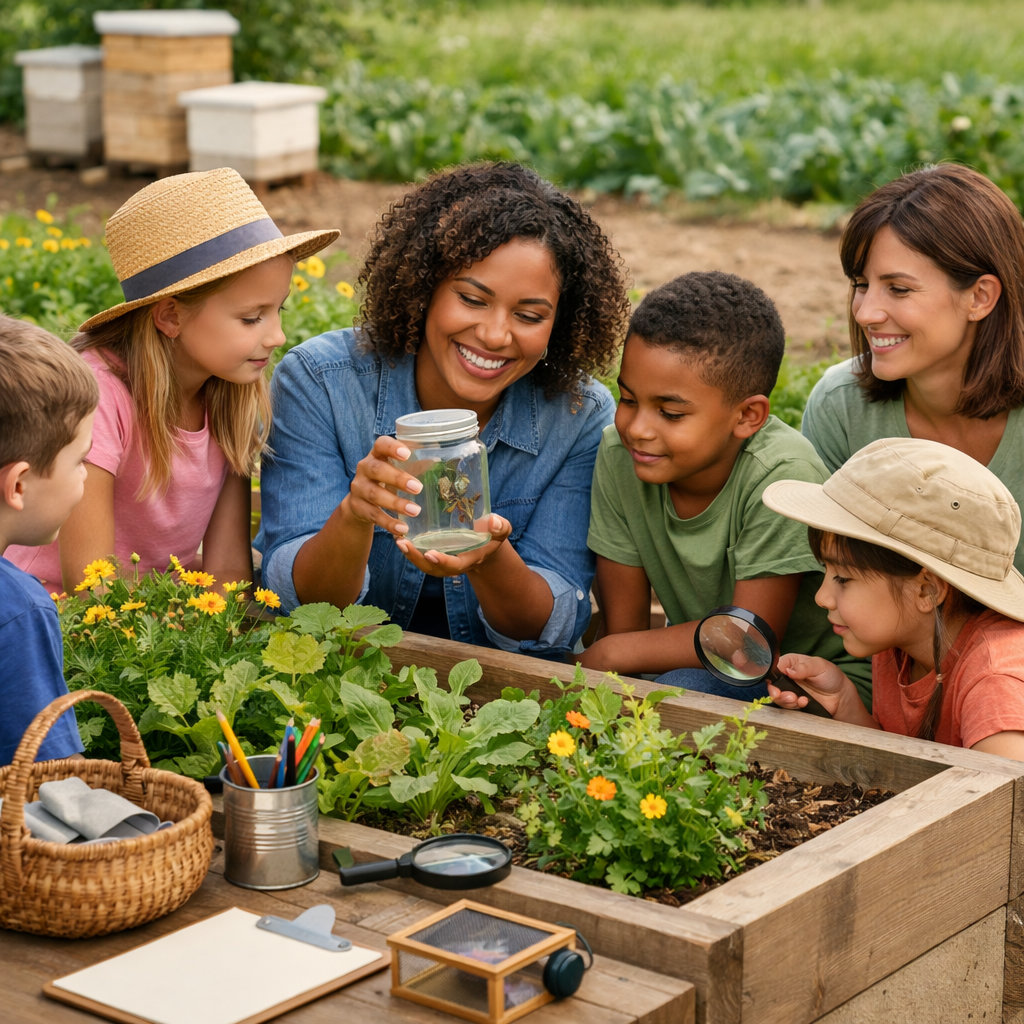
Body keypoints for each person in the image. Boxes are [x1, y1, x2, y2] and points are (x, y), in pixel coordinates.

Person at [256, 161, 631, 658]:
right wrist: (354, 515)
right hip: (343, 679)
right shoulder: (321, 382)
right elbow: (300, 603)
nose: (496, 335)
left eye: (529, 315)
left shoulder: (579, 416)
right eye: (472, 299)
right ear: (424, 287)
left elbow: (548, 628)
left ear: (559, 324)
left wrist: (490, 558)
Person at [6, 167, 339, 593]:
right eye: (251, 318)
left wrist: (214, 644)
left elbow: (228, 572)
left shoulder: (229, 395)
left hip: (158, 625)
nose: (277, 336)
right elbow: (90, 586)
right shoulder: (99, 399)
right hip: (60, 623)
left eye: (279, 311)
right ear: (170, 316)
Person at [581, 271, 870, 704]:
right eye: (627, 399)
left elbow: (746, 645)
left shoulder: (780, 474)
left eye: (671, 413)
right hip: (706, 663)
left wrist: (608, 652)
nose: (637, 428)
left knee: (683, 692)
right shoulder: (621, 454)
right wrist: (613, 654)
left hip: (820, 685)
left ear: (748, 416)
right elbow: (625, 635)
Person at [801, 162, 1024, 575]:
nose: (866, 313)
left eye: (899, 289)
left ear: (980, 297)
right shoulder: (841, 407)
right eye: (861, 285)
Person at [763, 437, 1024, 760]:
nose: (822, 598)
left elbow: (1003, 805)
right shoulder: (902, 639)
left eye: (843, 578)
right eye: (825, 572)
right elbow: (909, 767)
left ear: (926, 590)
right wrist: (845, 704)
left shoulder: (995, 683)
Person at [0, 315, 98, 764]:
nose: (85, 475)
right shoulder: (17, 607)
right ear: (19, 485)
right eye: (80, 460)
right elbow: (51, 780)